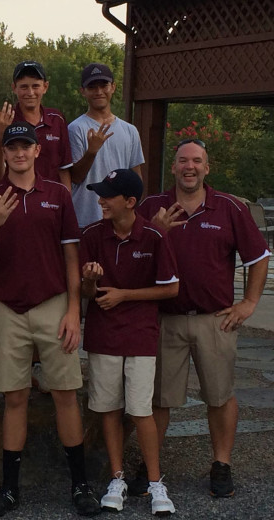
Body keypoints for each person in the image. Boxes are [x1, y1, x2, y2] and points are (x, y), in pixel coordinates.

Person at [0, 123, 101, 517]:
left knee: (64, 393)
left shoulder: (58, 194)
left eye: (26, 145)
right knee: (15, 397)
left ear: (37, 151)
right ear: (5, 153)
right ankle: (10, 489)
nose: (20, 152)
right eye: (13, 147)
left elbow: (72, 256)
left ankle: (79, 484)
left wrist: (75, 309)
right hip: (9, 307)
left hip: (54, 303)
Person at [136, 139, 270, 499]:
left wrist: (250, 302)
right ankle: (151, 467)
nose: (189, 167)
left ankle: (221, 464)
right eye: (183, 161)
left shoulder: (228, 208)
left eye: (196, 161)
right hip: (166, 319)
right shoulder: (152, 206)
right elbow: (132, 256)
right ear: (174, 167)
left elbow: (258, 256)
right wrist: (156, 231)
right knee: (158, 398)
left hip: (216, 320)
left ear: (207, 168)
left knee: (219, 395)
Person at [80, 169, 178, 516]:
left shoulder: (153, 235)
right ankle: (117, 478)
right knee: (108, 408)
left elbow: (171, 287)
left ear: (130, 202)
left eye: (107, 195)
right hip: (103, 334)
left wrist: (125, 295)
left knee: (140, 411)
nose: (100, 200)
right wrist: (90, 283)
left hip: (139, 334)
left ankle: (155, 483)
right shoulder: (91, 234)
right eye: (100, 193)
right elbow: (86, 292)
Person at [69, 63, 144, 228]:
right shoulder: (76, 128)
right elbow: (74, 177)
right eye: (92, 87)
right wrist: (92, 151)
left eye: (104, 85)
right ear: (83, 91)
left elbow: (136, 179)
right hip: (85, 219)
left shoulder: (130, 130)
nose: (99, 92)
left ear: (113, 87)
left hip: (120, 223)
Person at [0, 60, 73, 189]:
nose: (30, 93)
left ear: (45, 87)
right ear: (14, 88)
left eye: (35, 86)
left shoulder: (57, 119)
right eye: (24, 87)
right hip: (15, 200)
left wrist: (67, 203)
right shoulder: (4, 120)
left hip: (51, 201)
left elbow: (63, 169)